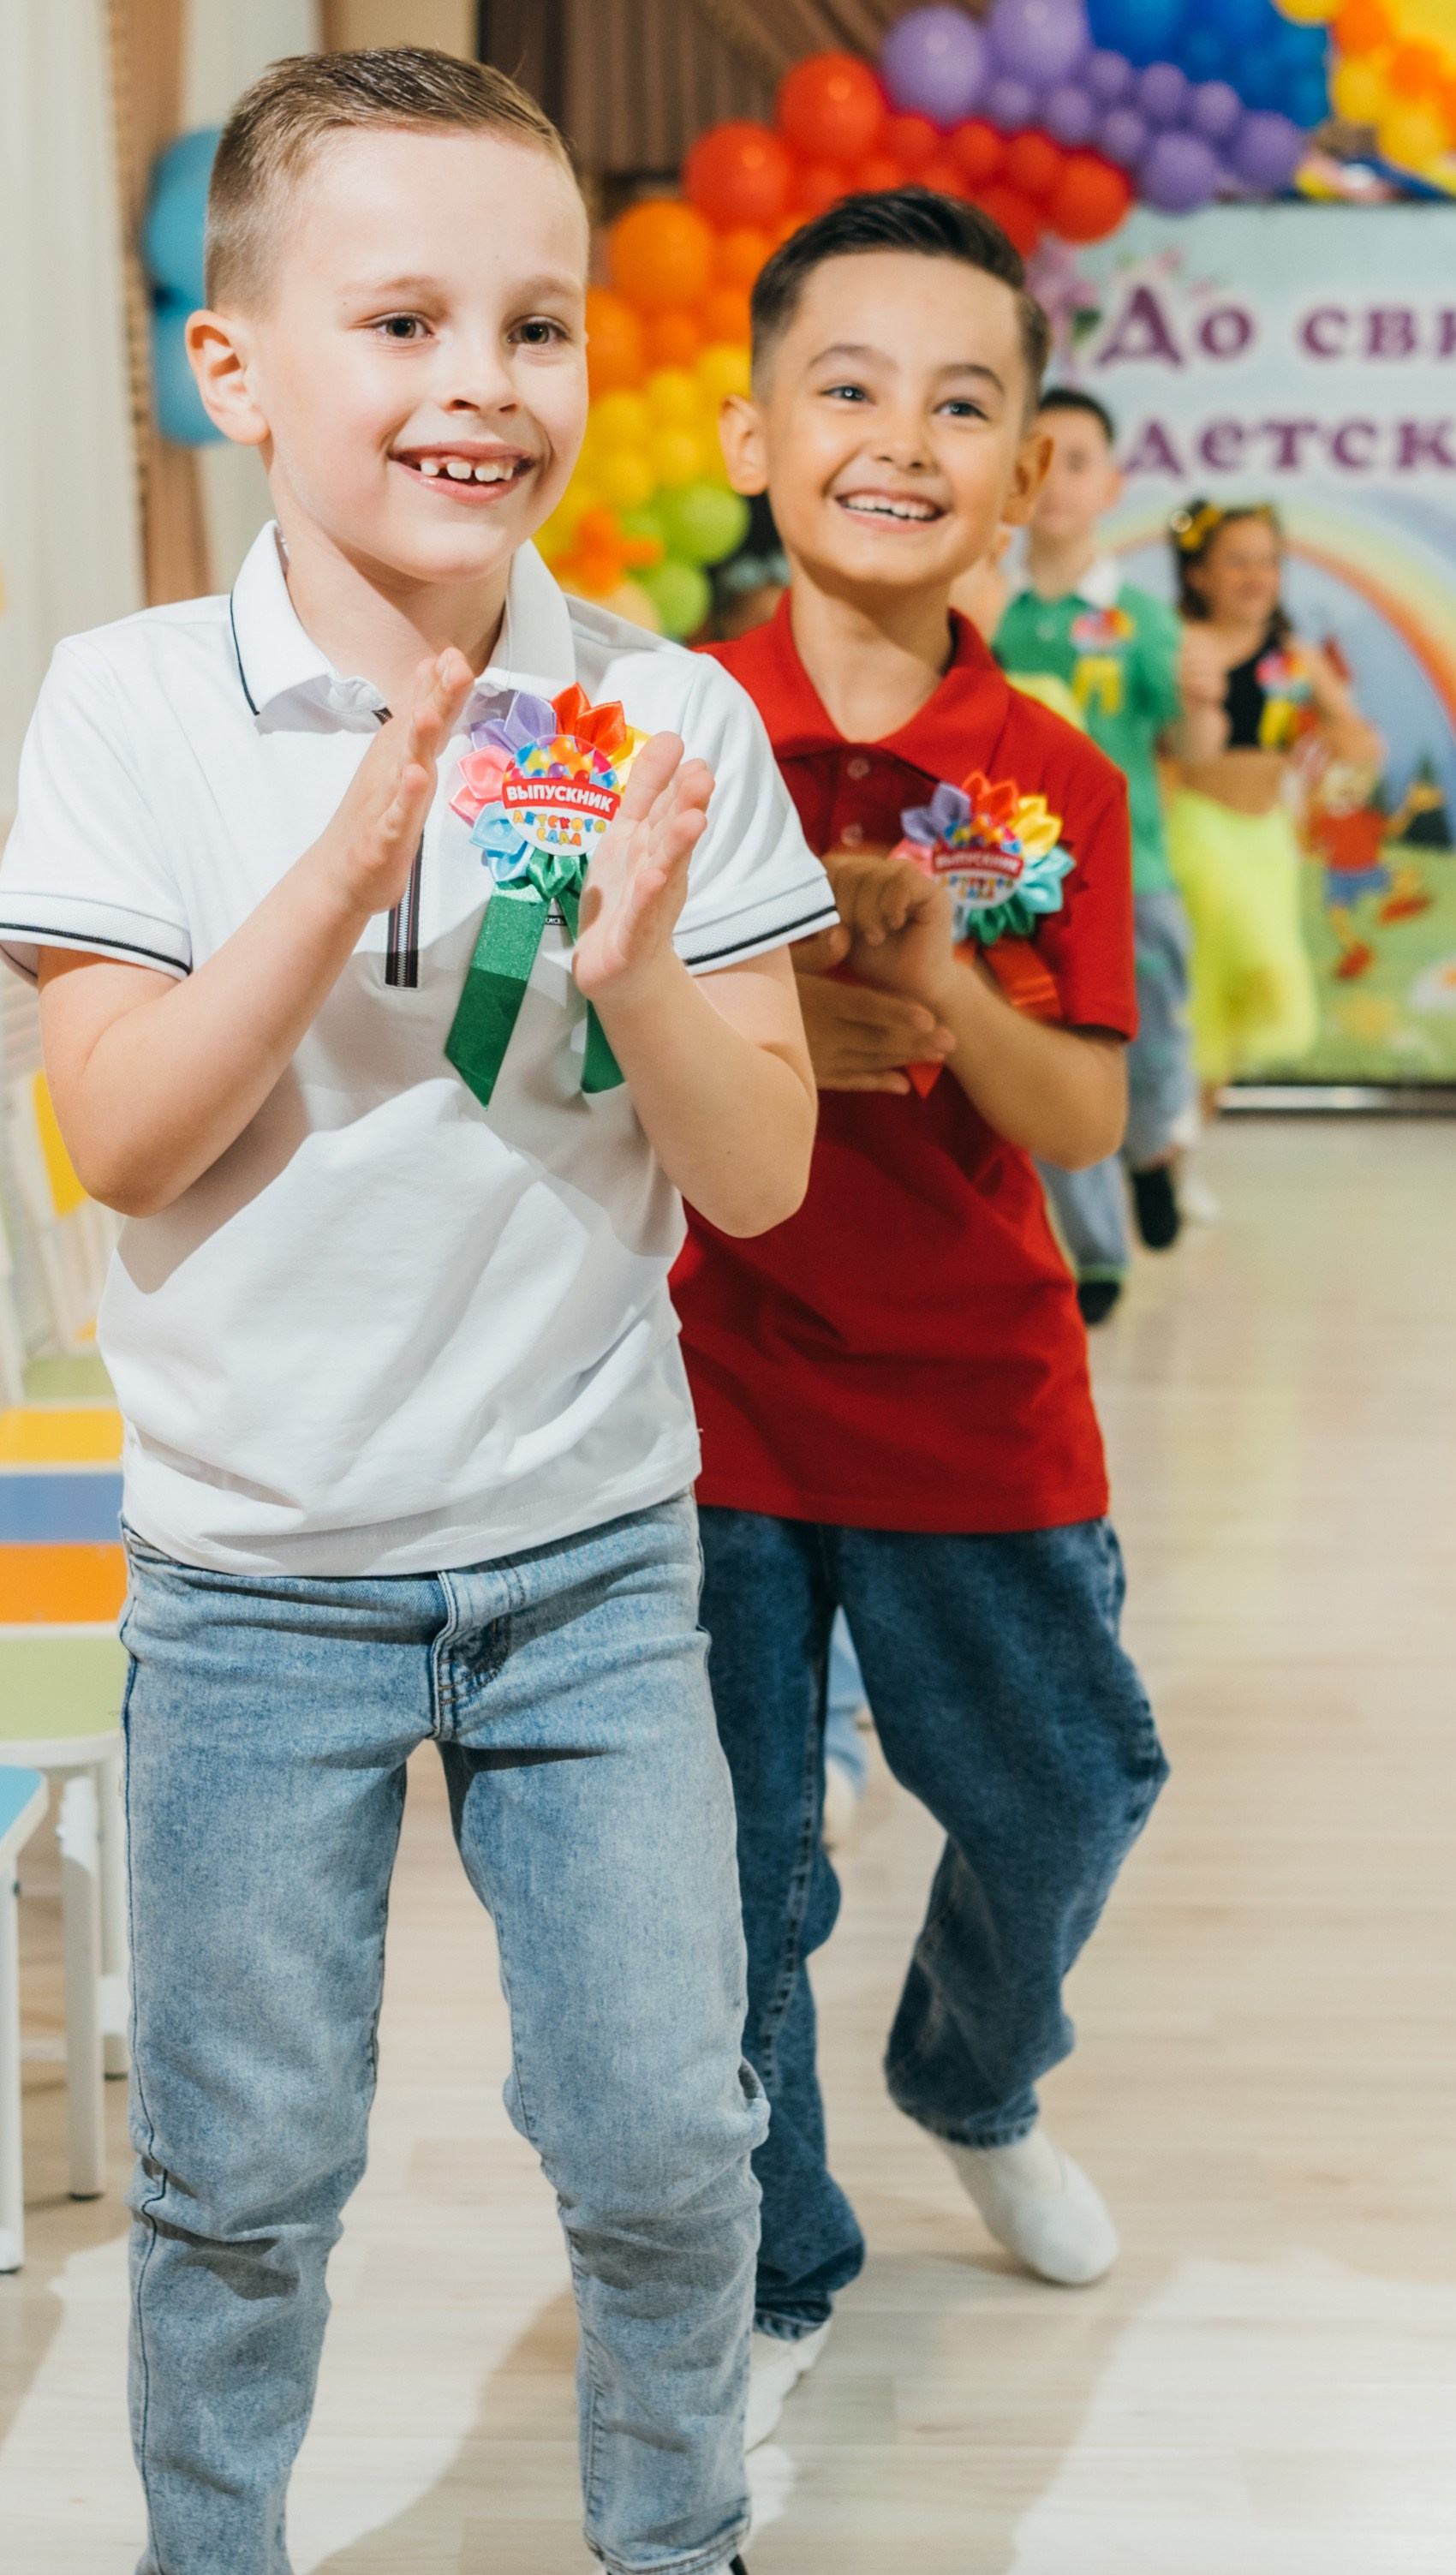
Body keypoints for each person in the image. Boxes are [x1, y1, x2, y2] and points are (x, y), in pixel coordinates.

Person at [0, 49, 848, 2575]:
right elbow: (121, 1138)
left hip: (589, 1567)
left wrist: (641, 973)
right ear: (231, 365)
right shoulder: (129, 702)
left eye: (536, 322)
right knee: (238, 2174)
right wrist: (354, 828)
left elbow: (763, 1172)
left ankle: (670, 2544)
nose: (485, 379)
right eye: (401, 317)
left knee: (673, 2146)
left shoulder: (661, 720)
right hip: (253, 1590)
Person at [673, 186, 1169, 2448]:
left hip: (978, 1394)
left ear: (1019, 457)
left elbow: (1084, 1101)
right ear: (752, 427)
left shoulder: (1047, 773)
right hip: (696, 1390)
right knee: (737, 1867)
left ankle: (969, 2071)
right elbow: (526, 1052)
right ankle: (775, 2255)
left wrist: (945, 984)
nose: (899, 435)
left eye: (958, 397)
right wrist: (756, 987)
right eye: (845, 386)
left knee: (1069, 1789)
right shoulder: (647, 739)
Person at [993, 388, 1194, 1323]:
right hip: (1023, 891)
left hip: (1134, 880)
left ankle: (1156, 1152)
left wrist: (1201, 698)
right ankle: (1099, 1254)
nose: (1061, 482)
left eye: (1082, 461)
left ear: (1111, 484)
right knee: (1056, 1061)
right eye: (1044, 459)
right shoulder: (992, 613)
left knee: (1152, 1053)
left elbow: (1189, 747)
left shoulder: (1143, 621)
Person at [1167, 499, 1379, 1114]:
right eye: (1237, 561)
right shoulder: (1186, 645)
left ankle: (1190, 1139)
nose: (1255, 575)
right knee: (1211, 978)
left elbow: (1361, 739)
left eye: (1266, 561)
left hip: (1268, 839)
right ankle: (1170, 1138)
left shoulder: (1296, 655)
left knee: (1243, 994)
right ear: (1199, 574)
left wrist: (1345, 742)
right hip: (1199, 830)